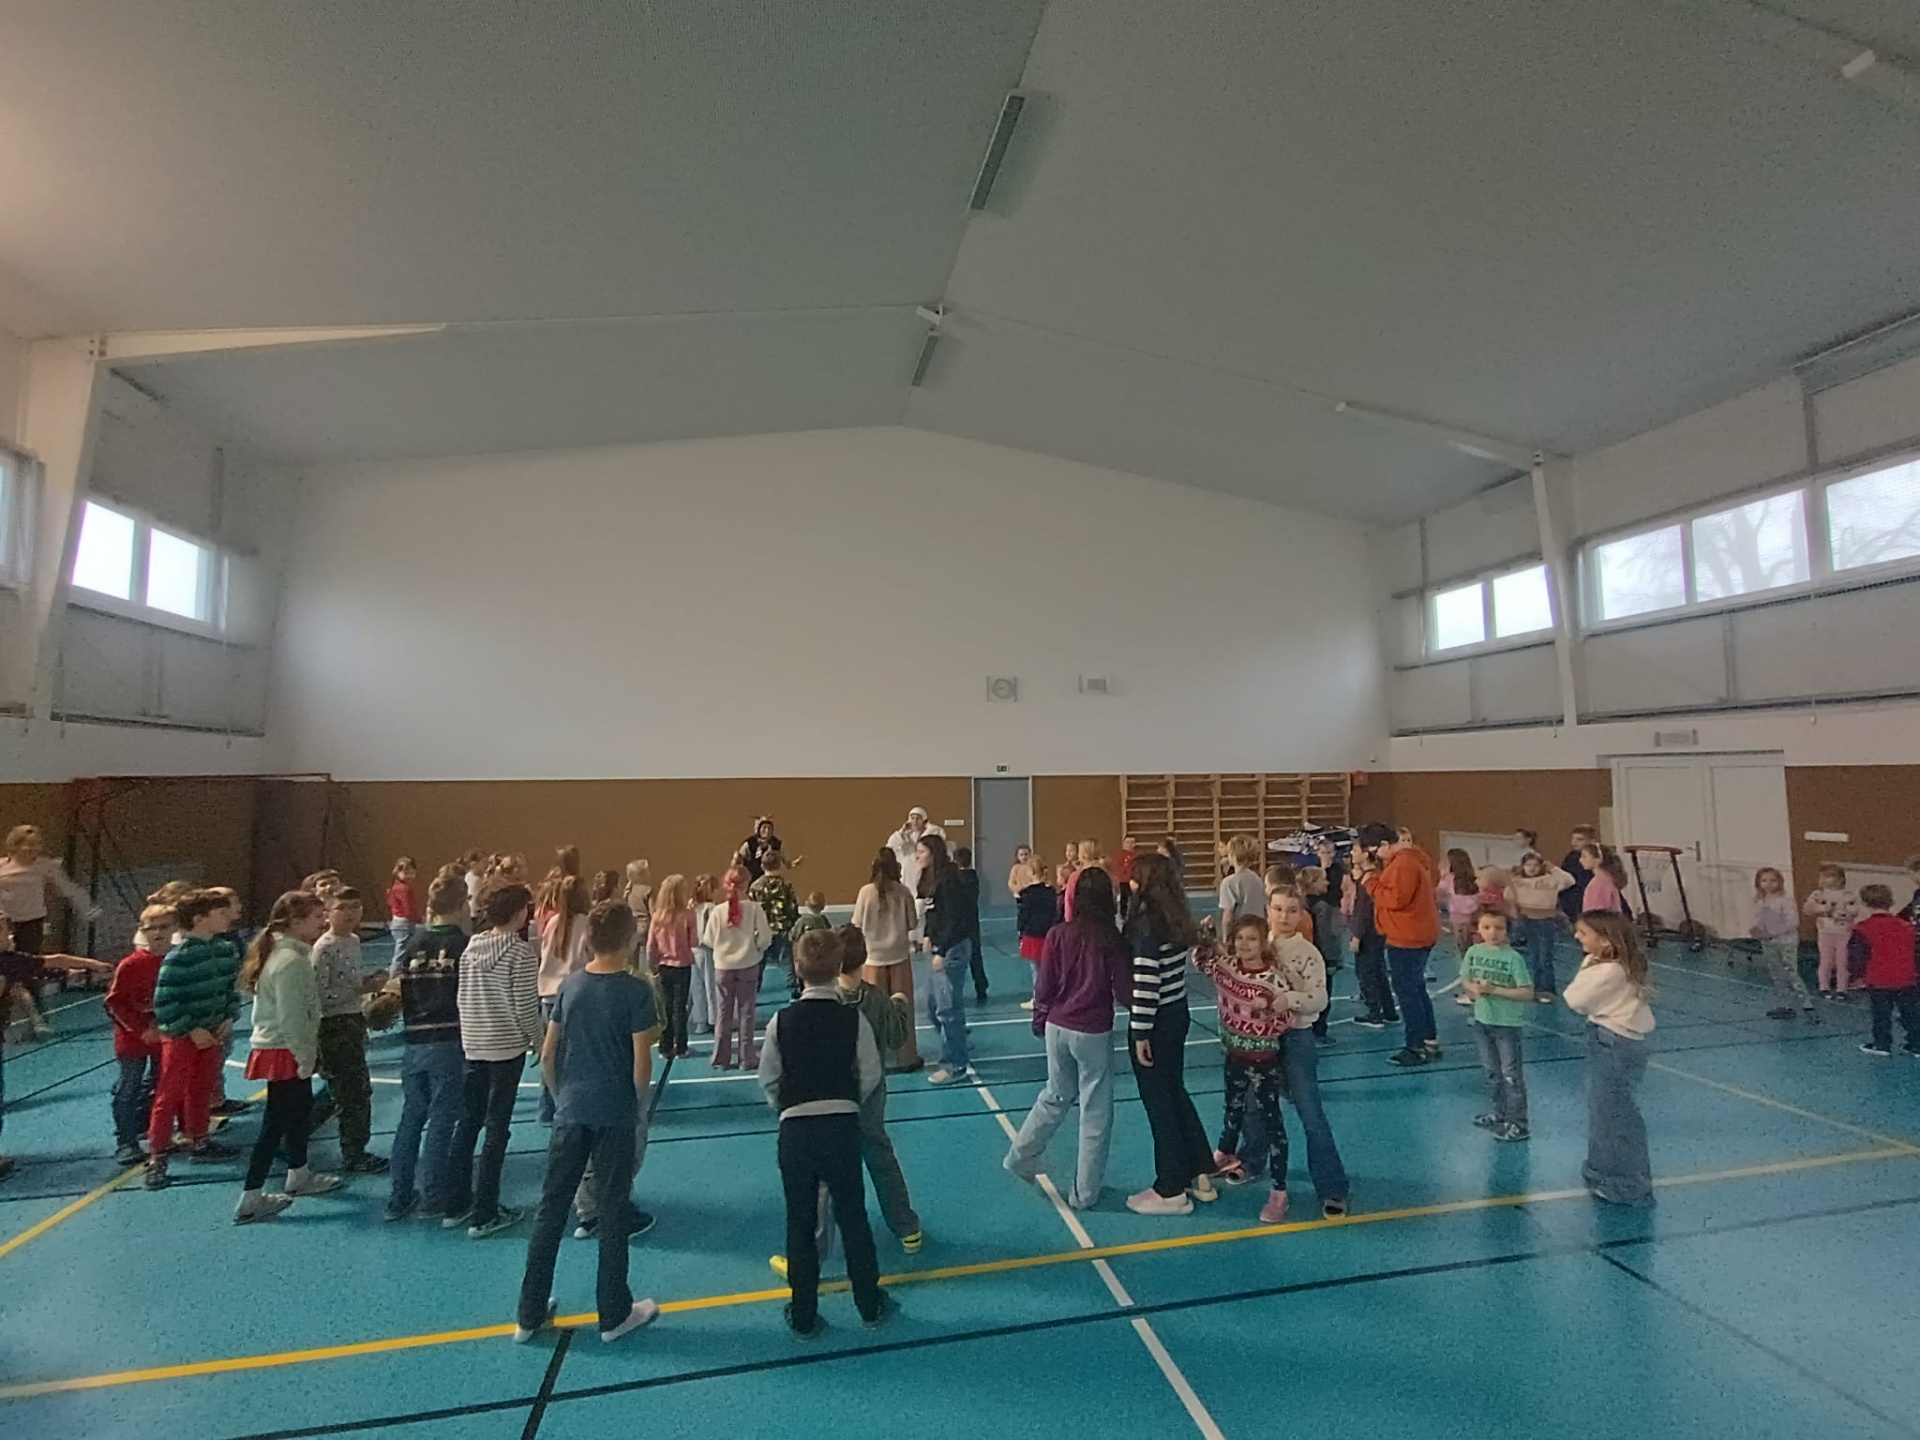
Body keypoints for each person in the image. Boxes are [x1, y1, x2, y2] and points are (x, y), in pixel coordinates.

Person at [514, 901, 661, 1346]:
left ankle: (528, 1313)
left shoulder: (570, 985)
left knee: (551, 1209)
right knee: (613, 1210)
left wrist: (561, 1097)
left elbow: (549, 1053)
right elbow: (640, 1065)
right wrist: (638, 1108)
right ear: (630, 939)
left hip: (571, 1112)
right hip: (614, 1113)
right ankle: (614, 1313)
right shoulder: (636, 992)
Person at [758, 927, 892, 1337]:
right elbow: (870, 1072)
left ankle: (803, 1315)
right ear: (838, 968)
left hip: (796, 1132)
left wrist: (787, 1106)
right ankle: (869, 1305)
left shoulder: (780, 1022)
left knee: (799, 1222)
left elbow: (768, 1078)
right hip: (840, 1129)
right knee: (853, 1217)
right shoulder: (853, 1020)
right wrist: (847, 1100)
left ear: (797, 970)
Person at [769, 926, 923, 1278]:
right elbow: (897, 1037)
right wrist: (899, 1006)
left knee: (823, 1178)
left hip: (833, 1100)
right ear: (863, 959)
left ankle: (812, 1255)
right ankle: (907, 1227)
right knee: (881, 1159)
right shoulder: (876, 999)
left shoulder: (827, 1004)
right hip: (870, 1099)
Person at [1003, 866, 1130, 1209]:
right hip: (1092, 1031)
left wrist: (1039, 1018)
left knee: (1054, 1095)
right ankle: (1084, 1192)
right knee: (1096, 1111)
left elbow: (1044, 986)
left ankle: (1020, 1156)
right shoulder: (1110, 939)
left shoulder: (1058, 934)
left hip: (1057, 1028)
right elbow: (1124, 992)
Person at [235, 891, 343, 1223]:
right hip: (284, 1050)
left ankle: (299, 1173)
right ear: (295, 922)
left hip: (286, 1049)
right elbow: (293, 1017)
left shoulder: (289, 955)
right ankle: (251, 1197)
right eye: (316, 917)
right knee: (275, 1123)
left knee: (298, 1114)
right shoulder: (290, 962)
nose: (323, 922)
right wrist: (306, 1056)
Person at [445, 880, 542, 1239]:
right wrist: (539, 1042)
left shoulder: (471, 947)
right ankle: (485, 1212)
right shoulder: (520, 954)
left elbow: (462, 998)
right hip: (504, 1050)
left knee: (467, 1123)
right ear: (519, 913)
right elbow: (525, 1008)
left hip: (474, 1046)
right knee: (497, 1129)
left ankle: (455, 1204)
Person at [1123, 852, 1216, 1215]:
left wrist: (1140, 1032)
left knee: (1159, 1102)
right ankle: (1199, 1170)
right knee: (1175, 1092)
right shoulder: (1174, 916)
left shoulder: (1148, 924)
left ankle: (1171, 1188)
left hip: (1157, 1019)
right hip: (1177, 1012)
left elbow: (1147, 982)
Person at [145, 888, 244, 1189]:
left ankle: (200, 1139)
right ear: (200, 919)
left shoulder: (225, 950)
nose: (227, 918)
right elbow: (165, 1002)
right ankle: (158, 1155)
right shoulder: (178, 958)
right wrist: (190, 1029)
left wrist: (229, 1016)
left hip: (212, 1034)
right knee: (170, 1094)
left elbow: (231, 989)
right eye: (220, 914)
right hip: (182, 1038)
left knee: (202, 1089)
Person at [383, 874, 469, 1221]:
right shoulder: (463, 946)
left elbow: (398, 988)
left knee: (411, 1118)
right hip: (448, 1039)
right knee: (442, 1121)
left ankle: (399, 1195)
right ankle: (435, 1194)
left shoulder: (413, 944)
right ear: (463, 905)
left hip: (414, 1040)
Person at [1195, 916, 1291, 1223]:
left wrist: (1267, 1011)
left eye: (1251, 939)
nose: (1244, 944)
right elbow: (1202, 960)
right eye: (1239, 938)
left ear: (1263, 943)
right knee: (1232, 1108)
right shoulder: (1228, 969)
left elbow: (1283, 1019)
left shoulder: (1273, 979)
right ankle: (1225, 1153)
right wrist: (1206, 936)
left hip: (1263, 1061)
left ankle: (1279, 1191)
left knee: (1271, 1123)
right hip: (1234, 1054)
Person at [1264, 890, 1350, 1217]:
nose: (1283, 916)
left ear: (1301, 914)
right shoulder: (1259, 945)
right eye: (1277, 909)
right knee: (1255, 1107)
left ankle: (1332, 1186)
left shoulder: (1308, 953)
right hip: (1261, 1040)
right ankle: (1251, 1159)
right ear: (1268, 910)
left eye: (1291, 910)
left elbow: (1320, 999)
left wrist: (1290, 999)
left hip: (1297, 1037)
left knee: (1310, 1112)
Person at [1565, 911, 1656, 1207]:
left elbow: (1574, 999)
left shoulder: (1610, 971)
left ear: (1605, 941)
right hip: (1604, 1037)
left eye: (1584, 933)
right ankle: (1600, 1169)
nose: (1577, 936)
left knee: (1616, 1116)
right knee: (1602, 1110)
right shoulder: (1602, 963)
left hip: (1615, 1043)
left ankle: (1631, 1185)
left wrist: (1589, 966)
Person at [310, 888, 388, 1173]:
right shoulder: (324, 948)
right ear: (328, 913)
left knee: (354, 1089)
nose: (350, 913)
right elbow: (318, 995)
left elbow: (350, 982)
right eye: (342, 908)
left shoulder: (353, 941)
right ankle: (353, 1153)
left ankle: (352, 1146)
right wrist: (359, 990)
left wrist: (369, 985)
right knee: (350, 1092)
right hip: (333, 1024)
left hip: (353, 1020)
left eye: (356, 906)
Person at [1357, 822, 1441, 1067]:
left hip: (1408, 936)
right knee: (1416, 990)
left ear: (1384, 844)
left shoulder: (1403, 864)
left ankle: (1415, 1047)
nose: (1374, 857)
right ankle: (1429, 1040)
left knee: (1408, 993)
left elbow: (1395, 899)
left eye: (1374, 851)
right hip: (1412, 933)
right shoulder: (1405, 861)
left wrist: (1369, 882)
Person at [106, 905, 172, 1165]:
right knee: (128, 1087)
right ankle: (126, 1141)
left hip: (165, 1036)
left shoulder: (175, 959)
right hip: (133, 1039)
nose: (157, 933)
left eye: (164, 927)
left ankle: (150, 1130)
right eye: (151, 928)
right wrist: (140, 1030)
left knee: (159, 1084)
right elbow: (114, 1003)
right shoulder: (131, 965)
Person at [1460, 910, 1533, 1141]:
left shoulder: (1513, 958)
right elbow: (1465, 978)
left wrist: (1494, 990)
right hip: (1482, 1020)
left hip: (1507, 1024)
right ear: (1478, 929)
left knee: (1510, 1074)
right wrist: (1473, 990)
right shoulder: (1474, 952)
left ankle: (1518, 1123)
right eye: (1487, 927)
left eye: (1499, 928)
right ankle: (1499, 1113)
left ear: (1507, 931)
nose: (1493, 933)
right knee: (1491, 1071)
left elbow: (1526, 992)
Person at [853, 851, 921, 1069]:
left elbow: (857, 923)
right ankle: (907, 1058)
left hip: (872, 959)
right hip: (899, 957)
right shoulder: (903, 892)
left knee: (873, 1013)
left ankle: (876, 1060)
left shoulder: (865, 892)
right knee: (903, 1010)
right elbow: (912, 923)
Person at [917, 834, 974, 1085]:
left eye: (922, 852)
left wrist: (942, 951)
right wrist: (928, 935)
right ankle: (957, 1041)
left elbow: (955, 918)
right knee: (931, 1006)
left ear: (934, 854)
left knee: (947, 1008)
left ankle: (955, 1064)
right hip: (940, 945)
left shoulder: (950, 879)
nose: (917, 856)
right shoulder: (929, 879)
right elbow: (933, 912)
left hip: (953, 948)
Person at [702, 866, 771, 1069]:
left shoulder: (717, 911)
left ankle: (721, 1058)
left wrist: (722, 949)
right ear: (747, 884)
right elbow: (765, 938)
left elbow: (708, 939)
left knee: (723, 1013)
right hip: (748, 964)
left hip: (723, 967)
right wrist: (756, 948)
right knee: (746, 1012)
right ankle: (746, 1057)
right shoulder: (755, 909)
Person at [0, 823, 99, 956]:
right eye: (30, 844)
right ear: (15, 845)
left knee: (27, 958)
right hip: (4, 921)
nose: (35, 848)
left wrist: (86, 906)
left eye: (38, 844)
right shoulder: (2, 866)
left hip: (31, 922)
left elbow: (67, 887)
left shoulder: (44, 866)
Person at [1853, 884, 1918, 1057]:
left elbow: (1857, 956)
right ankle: (1916, 1043)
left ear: (1865, 903)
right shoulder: (1906, 926)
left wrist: (1857, 975)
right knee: (1911, 1013)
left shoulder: (1863, 928)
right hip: (1906, 977)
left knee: (1881, 1014)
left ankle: (1882, 1044)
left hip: (1879, 979)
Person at [1749, 866, 1814, 1021]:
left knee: (1791, 972)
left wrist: (1772, 932)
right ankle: (1785, 1005)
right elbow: (1759, 919)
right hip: (1768, 942)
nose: (1768, 884)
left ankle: (1807, 1004)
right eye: (1764, 880)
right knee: (1777, 974)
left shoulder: (1786, 900)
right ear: (1758, 883)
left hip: (1786, 942)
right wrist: (1757, 930)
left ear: (1780, 882)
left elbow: (1792, 922)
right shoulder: (1760, 900)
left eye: (1773, 880)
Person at [1511, 851, 1574, 1003]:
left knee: (1544, 956)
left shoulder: (1549, 880)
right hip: (1526, 921)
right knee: (1533, 956)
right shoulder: (1518, 881)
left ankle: (1546, 989)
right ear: (1523, 866)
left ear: (1541, 866)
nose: (1532, 868)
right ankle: (1534, 987)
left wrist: (1553, 868)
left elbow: (1569, 880)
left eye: (1536, 865)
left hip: (1545, 921)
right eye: (1528, 865)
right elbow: (1508, 894)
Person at [647, 875, 697, 1059]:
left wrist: (652, 964)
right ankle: (682, 1046)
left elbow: (651, 945)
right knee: (680, 1006)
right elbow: (694, 941)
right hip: (682, 965)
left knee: (666, 1006)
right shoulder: (688, 915)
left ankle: (665, 1045)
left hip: (664, 965)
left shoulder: (657, 917)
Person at [1347, 850, 1397, 1030]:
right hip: (1377, 931)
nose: (1352, 852)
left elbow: (1363, 911)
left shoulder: (1368, 880)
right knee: (1378, 971)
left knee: (1366, 972)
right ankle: (1389, 1011)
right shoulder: (1377, 875)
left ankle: (1374, 1014)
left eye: (1356, 850)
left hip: (1368, 934)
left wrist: (1357, 935)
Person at [1299, 865, 1346, 1044]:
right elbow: (1328, 935)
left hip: (1305, 957)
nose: (1327, 882)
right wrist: (1333, 960)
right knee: (1322, 997)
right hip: (1322, 958)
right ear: (1313, 883)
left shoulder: (1302, 904)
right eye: (1323, 880)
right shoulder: (1323, 907)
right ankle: (1319, 1032)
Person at [750, 851, 803, 999]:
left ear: (762, 866)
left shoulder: (755, 887)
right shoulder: (786, 886)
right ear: (780, 865)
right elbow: (793, 908)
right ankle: (793, 991)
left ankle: (754, 992)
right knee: (787, 962)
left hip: (762, 932)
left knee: (759, 963)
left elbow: (751, 910)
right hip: (782, 930)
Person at [1803, 864, 1860, 999]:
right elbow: (1808, 909)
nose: (1824, 880)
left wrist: (1845, 912)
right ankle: (1824, 986)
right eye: (1822, 877)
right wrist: (1823, 908)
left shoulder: (1848, 895)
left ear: (1840, 879)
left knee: (1842, 961)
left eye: (1829, 877)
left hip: (1843, 933)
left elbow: (1855, 910)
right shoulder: (1818, 894)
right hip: (1825, 933)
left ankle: (1842, 988)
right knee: (1826, 960)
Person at [1015, 866, 1059, 1012]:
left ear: (1031, 873)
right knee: (1050, 968)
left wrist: (1020, 930)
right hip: (1049, 933)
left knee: (1036, 969)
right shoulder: (1051, 892)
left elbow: (1023, 916)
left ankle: (1038, 999)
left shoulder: (1027, 894)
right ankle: (1051, 996)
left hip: (1033, 934)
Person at [951, 847, 988, 1004]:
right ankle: (981, 986)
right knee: (975, 956)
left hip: (960, 922)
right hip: (973, 922)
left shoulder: (956, 878)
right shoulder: (973, 876)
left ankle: (954, 990)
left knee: (956, 958)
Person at [888, 808, 943, 898]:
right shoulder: (905, 836)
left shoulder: (932, 832)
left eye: (918, 818)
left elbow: (936, 839)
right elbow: (891, 846)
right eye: (912, 818)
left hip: (924, 870)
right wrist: (902, 831)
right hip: (908, 872)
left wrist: (929, 827)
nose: (915, 821)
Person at [1217, 834, 1266, 934]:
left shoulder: (1228, 883)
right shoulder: (1258, 880)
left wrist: (1225, 938)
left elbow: (1227, 917)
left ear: (1233, 856)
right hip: (1259, 930)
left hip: (1240, 931)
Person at [689, 874, 718, 1036]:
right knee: (711, 985)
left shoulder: (691, 905)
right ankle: (713, 1019)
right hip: (707, 949)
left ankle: (700, 1021)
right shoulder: (711, 908)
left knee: (697, 986)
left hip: (693, 949)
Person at [1437, 849, 1480, 953]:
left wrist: (1442, 875)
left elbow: (1439, 894)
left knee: (1462, 946)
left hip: (1458, 917)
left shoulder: (1448, 879)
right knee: (1474, 944)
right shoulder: (1474, 878)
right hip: (1476, 915)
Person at [387, 857, 423, 967]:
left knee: (405, 950)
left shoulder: (395, 887)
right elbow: (408, 908)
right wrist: (418, 918)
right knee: (401, 952)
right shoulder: (403, 889)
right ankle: (395, 972)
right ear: (397, 872)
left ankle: (401, 969)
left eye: (412, 873)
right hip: (404, 923)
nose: (409, 876)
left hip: (398, 922)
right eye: (406, 873)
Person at [1559, 826, 1598, 919]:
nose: (1574, 843)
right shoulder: (1570, 857)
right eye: (1573, 839)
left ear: (1592, 841)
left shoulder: (1596, 859)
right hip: (1570, 898)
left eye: (1580, 839)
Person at [1578, 846, 1628, 915]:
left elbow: (1596, 913)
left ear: (1598, 859)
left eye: (1584, 856)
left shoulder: (1599, 883)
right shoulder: (1607, 879)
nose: (1580, 860)